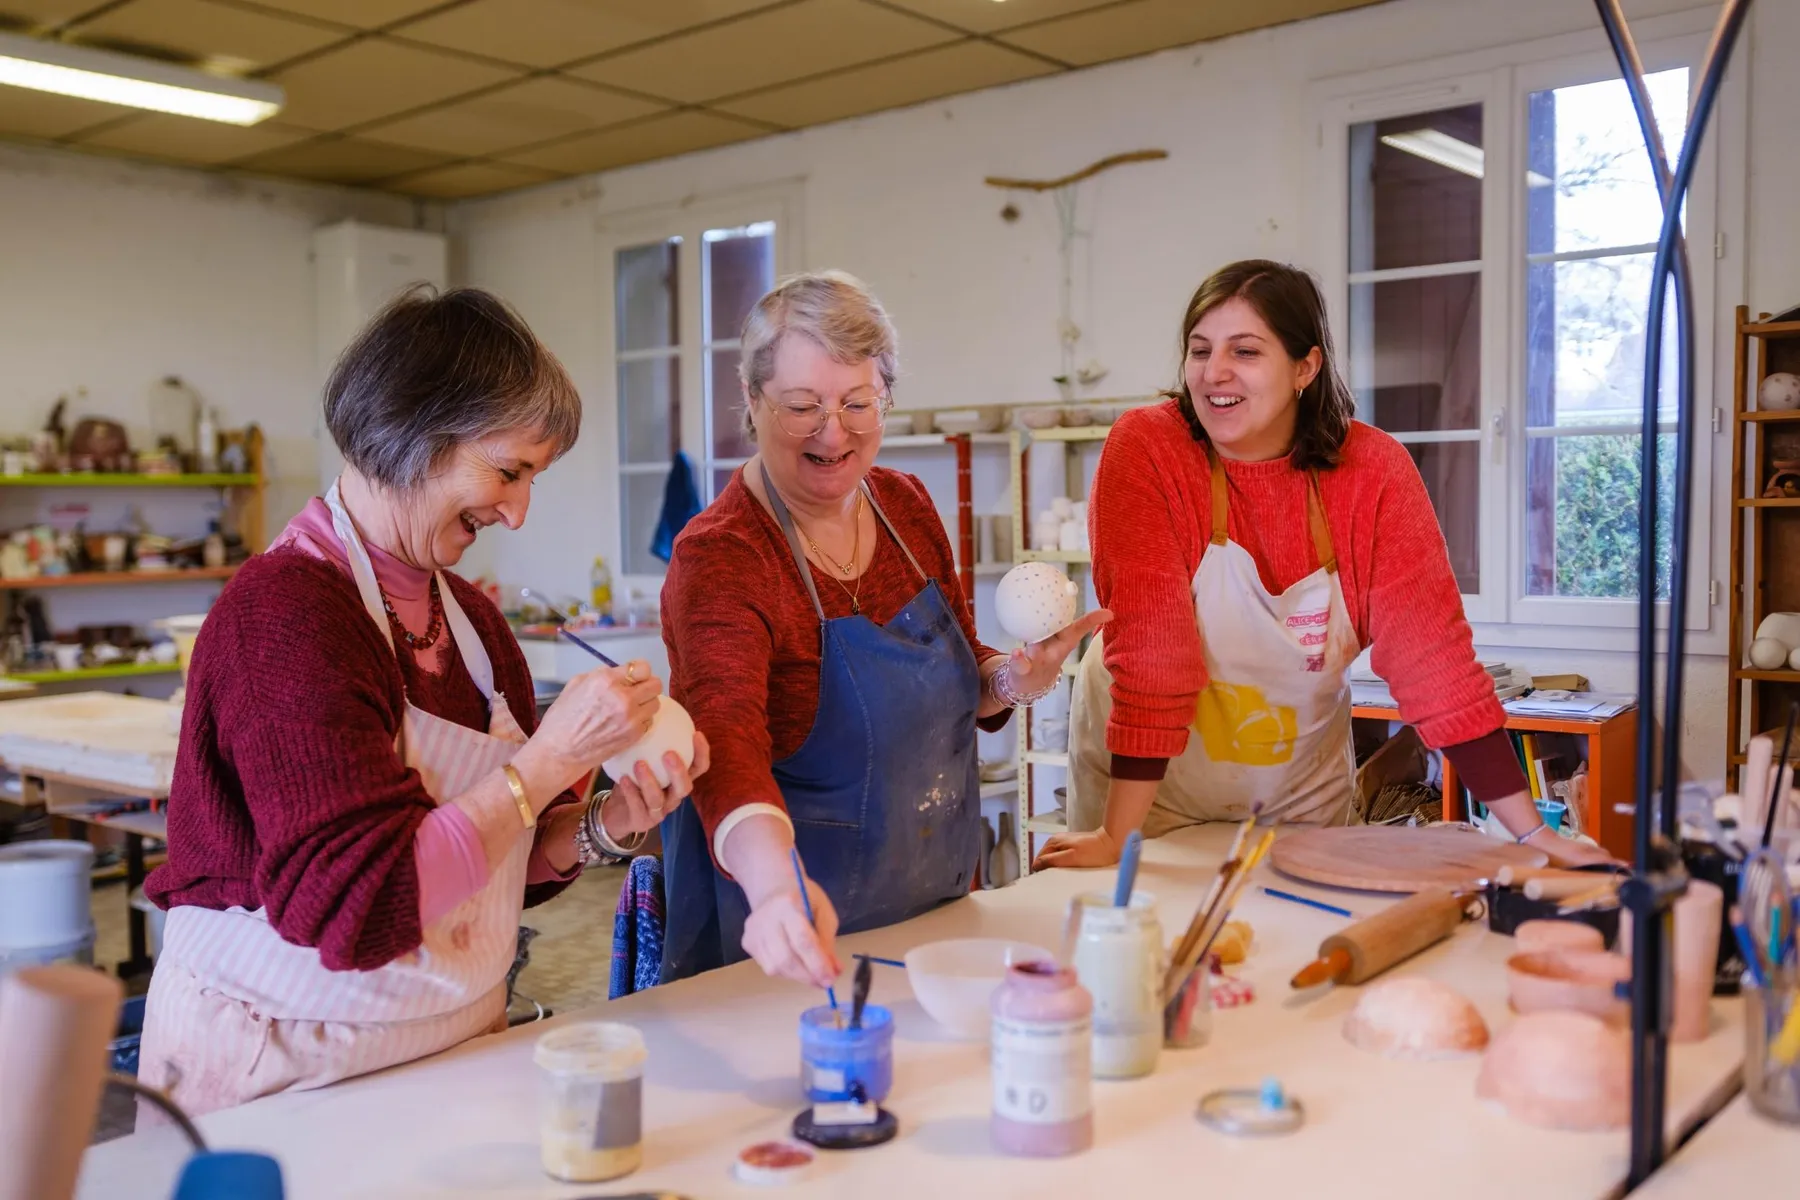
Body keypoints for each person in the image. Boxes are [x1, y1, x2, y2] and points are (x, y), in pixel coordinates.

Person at [139, 286, 709, 1116]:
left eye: (533, 479)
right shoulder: (286, 617)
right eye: (508, 472)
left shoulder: (475, 626)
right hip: (284, 1064)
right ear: (413, 434)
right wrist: (549, 759)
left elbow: (495, 875)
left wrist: (609, 819)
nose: (518, 512)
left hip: (450, 1050)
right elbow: (358, 908)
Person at [1036, 260, 1612, 870]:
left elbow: (1434, 663)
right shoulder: (1149, 450)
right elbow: (1154, 657)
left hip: (1298, 791)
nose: (1213, 372)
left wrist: (1533, 835)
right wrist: (1116, 837)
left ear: (1305, 367)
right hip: (1146, 790)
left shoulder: (1374, 472)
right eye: (1199, 350)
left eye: (1245, 351)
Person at [659, 271, 1106, 986]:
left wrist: (1013, 679)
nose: (833, 432)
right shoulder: (723, 555)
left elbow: (964, 671)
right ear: (752, 399)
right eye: (802, 406)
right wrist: (775, 890)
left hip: (933, 911)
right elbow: (726, 751)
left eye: (858, 403)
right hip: (788, 934)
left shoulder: (906, 506)